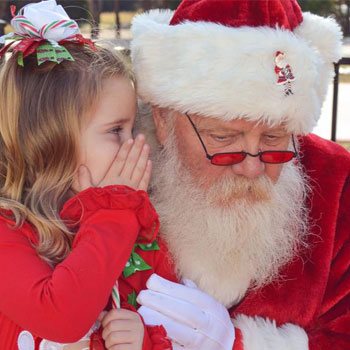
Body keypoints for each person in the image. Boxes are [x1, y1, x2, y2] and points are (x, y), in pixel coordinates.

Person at [129, 0, 350, 349]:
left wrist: (239, 343)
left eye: (274, 138)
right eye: (223, 138)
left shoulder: (336, 180)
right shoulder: (114, 172)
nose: (252, 167)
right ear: (163, 119)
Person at [0, 1, 175, 349]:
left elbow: (169, 310)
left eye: (133, 127)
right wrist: (113, 211)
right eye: (116, 131)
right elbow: (60, 317)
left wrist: (146, 340)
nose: (136, 143)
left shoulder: (134, 224)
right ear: (52, 139)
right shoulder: (9, 230)